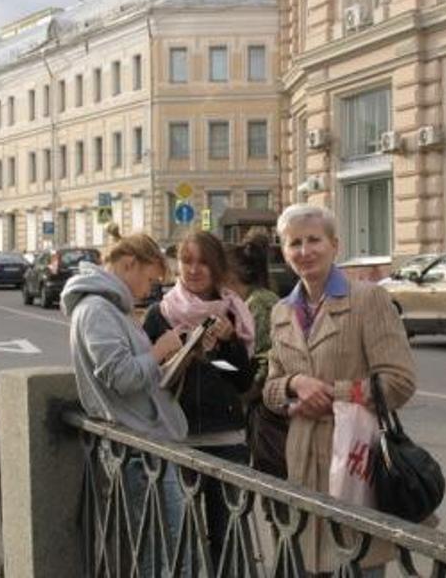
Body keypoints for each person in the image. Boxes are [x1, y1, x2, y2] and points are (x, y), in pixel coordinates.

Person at [262, 204, 416, 577]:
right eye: (294, 243)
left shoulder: (367, 300)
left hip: (355, 460)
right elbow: (269, 388)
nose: (304, 251)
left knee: (358, 562)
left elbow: (399, 382)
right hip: (301, 462)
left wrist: (333, 395)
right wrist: (294, 384)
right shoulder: (282, 312)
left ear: (334, 244)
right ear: (283, 251)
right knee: (307, 564)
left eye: (313, 240)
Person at [60, 229, 188, 572]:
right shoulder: (97, 311)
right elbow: (122, 377)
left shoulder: (109, 308)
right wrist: (160, 351)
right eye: (149, 279)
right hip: (137, 451)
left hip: (141, 445)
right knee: (168, 554)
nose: (150, 290)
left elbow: (132, 373)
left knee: (162, 551)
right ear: (129, 264)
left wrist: (170, 360)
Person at [143, 230, 255, 569]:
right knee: (181, 541)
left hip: (227, 441)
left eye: (203, 262)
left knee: (229, 539)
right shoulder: (159, 314)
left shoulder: (233, 312)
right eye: (187, 261)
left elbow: (241, 380)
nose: (193, 269)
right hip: (178, 440)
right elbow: (145, 377)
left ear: (217, 267)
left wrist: (226, 345)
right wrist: (168, 354)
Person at [224, 233, 285, 477]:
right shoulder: (248, 301)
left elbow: (264, 359)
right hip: (262, 405)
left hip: (267, 410)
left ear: (230, 274)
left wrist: (244, 394)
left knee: (273, 473)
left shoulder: (258, 303)